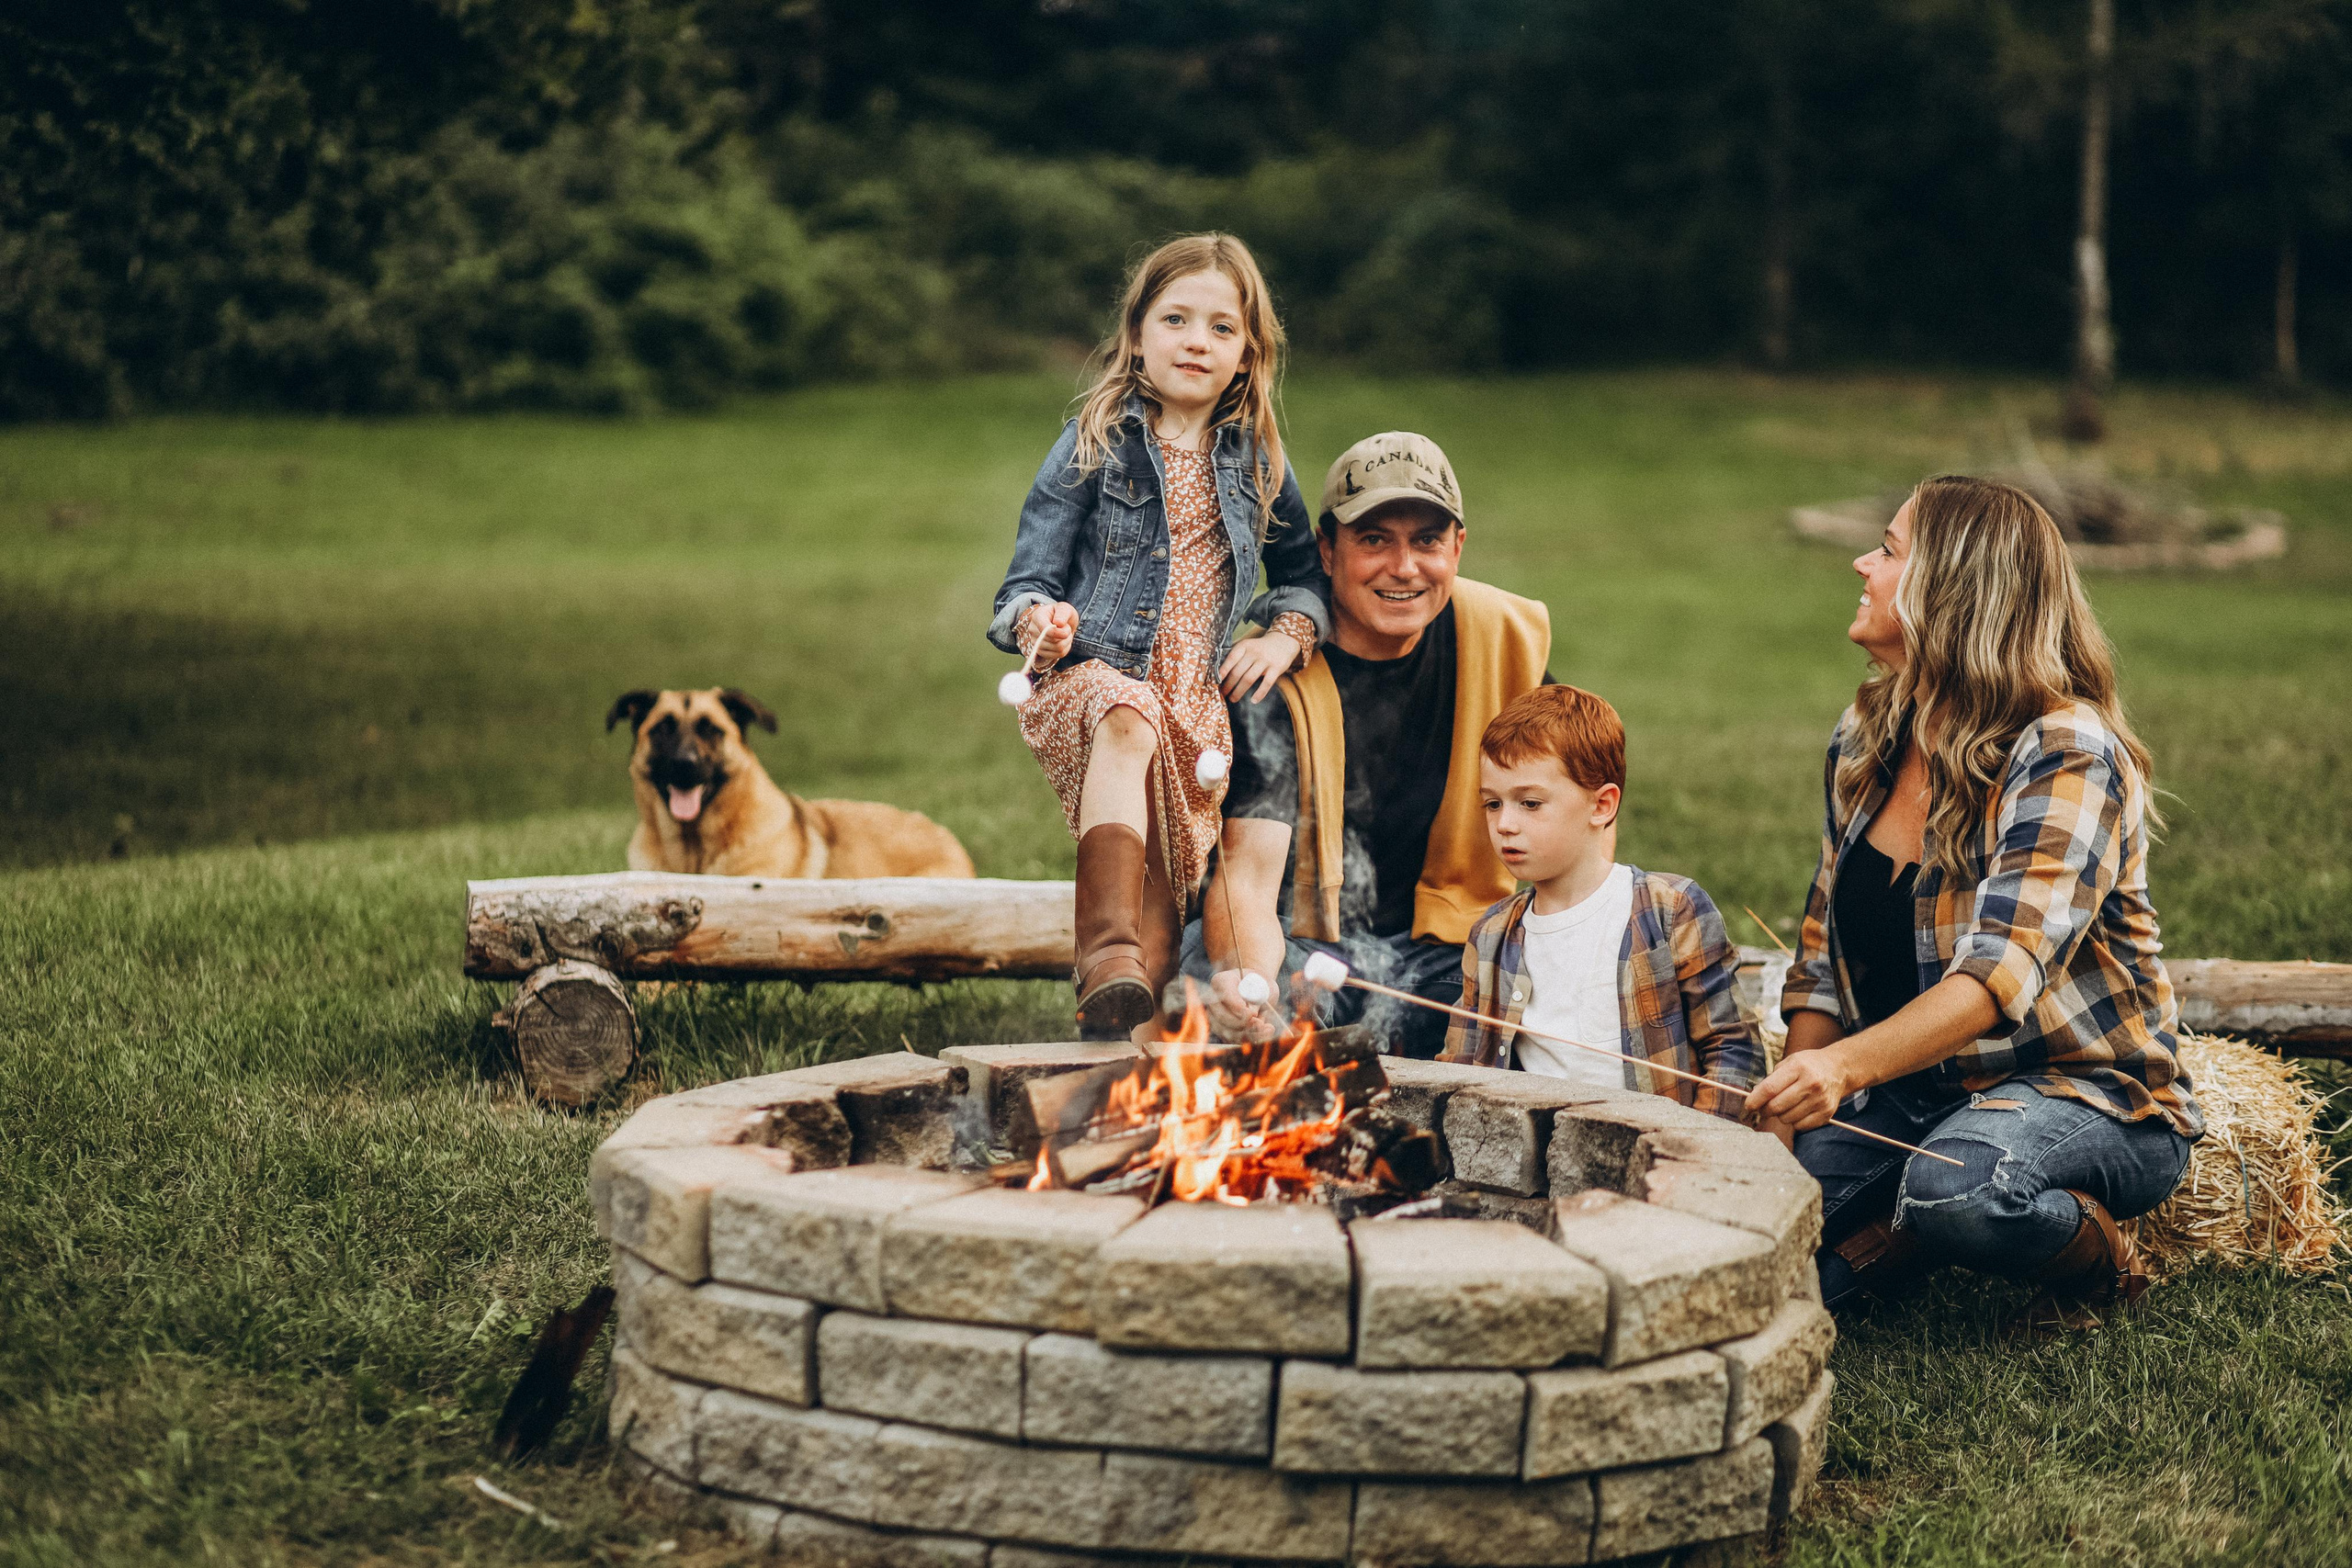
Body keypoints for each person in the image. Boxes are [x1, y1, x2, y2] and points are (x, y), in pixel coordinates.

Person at [1746, 474, 2200, 1331]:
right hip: (1917, 1093)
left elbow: (1996, 976)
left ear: (1952, 591)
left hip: (2084, 1092)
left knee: (1961, 1186)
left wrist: (1842, 1069)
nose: (1862, 563)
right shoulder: (1867, 732)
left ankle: (2102, 1264)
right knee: (1770, 1260)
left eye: (1886, 550)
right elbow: (1819, 955)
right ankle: (1903, 1230)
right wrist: (1784, 1117)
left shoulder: (2067, 750)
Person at [990, 233, 1330, 1038]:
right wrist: (1041, 621)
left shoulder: (1260, 464)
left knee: (1164, 889)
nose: (1196, 340)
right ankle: (1103, 953)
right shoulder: (1092, 442)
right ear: (1137, 335)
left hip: (1195, 708)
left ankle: (1121, 1018)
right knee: (1126, 714)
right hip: (1090, 677)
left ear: (1248, 353)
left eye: (1221, 327)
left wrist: (1284, 635)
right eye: (1175, 318)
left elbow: (1306, 576)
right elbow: (1019, 589)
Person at [1185, 431, 1550, 1058]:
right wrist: (1250, 982)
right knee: (1208, 980)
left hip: (1450, 950)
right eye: (1375, 539)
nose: (1404, 567)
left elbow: (1572, 814)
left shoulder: (1502, 639)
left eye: (1427, 540)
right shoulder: (1270, 677)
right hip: (1301, 948)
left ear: (1458, 547)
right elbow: (1245, 876)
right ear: (1326, 550)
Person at [1438, 685, 1761, 1118]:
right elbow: (1460, 1067)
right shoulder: (1492, 935)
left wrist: (1699, 1150)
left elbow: (1733, 1049)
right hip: (1536, 1164)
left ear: (1602, 805)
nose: (1505, 824)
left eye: (1530, 803)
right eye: (1492, 804)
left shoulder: (1670, 912)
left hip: (1659, 1154)